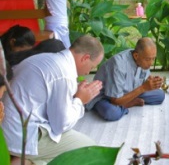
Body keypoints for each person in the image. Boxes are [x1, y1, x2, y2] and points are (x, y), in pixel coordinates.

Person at [2, 35, 104, 165]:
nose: (89, 71)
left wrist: (74, 95)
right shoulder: (63, 74)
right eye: (92, 66)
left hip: (8, 130)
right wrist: (80, 100)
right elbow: (61, 125)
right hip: (21, 137)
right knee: (90, 150)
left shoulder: (47, 58)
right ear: (85, 58)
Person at [86, 37, 165, 121]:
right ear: (136, 56)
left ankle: (126, 101)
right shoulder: (118, 65)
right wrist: (143, 88)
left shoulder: (143, 57)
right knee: (111, 112)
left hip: (129, 91)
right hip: (107, 97)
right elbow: (115, 100)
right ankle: (126, 104)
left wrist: (152, 81)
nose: (151, 63)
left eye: (153, 58)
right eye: (148, 59)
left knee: (160, 95)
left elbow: (143, 79)